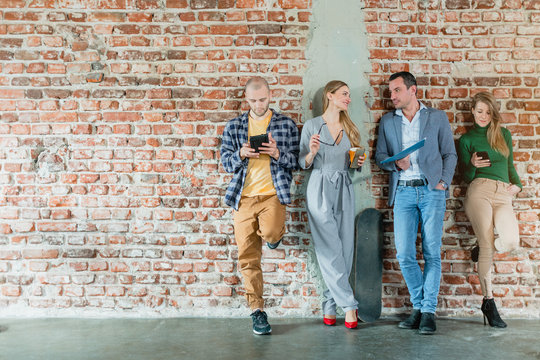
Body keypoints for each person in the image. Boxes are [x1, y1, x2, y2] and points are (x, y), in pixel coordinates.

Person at [375, 72, 457, 335]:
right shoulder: (387, 121)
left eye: (397, 90)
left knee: (432, 252)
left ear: (413, 91)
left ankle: (427, 312)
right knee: (404, 254)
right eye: (390, 92)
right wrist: (395, 163)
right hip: (404, 193)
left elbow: (449, 153)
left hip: (431, 190)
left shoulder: (436, 117)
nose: (393, 96)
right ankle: (421, 307)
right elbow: (380, 158)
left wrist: (443, 181)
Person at [220, 77, 299, 335]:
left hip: (273, 194)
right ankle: (257, 310)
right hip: (242, 198)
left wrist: (276, 153)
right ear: (246, 99)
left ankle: (273, 237)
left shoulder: (285, 124)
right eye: (253, 100)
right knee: (248, 256)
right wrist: (241, 154)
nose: (258, 104)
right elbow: (226, 163)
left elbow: (296, 162)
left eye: (263, 99)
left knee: (272, 233)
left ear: (270, 95)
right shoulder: (234, 126)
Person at [299, 80, 366, 329]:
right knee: (329, 248)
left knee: (345, 248)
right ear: (330, 95)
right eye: (344, 94)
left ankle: (329, 305)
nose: (348, 98)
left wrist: (357, 164)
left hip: (345, 187)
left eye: (349, 94)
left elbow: (352, 164)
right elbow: (302, 162)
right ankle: (349, 305)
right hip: (319, 187)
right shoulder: (312, 126)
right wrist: (312, 152)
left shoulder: (350, 127)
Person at [457, 91, 522, 328]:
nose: (483, 116)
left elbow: (510, 164)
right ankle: (489, 301)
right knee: (485, 246)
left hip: (503, 192)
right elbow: (464, 176)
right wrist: (472, 165)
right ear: (472, 112)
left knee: (512, 241)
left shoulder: (503, 134)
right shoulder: (466, 140)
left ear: (492, 113)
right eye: (479, 111)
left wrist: (518, 185)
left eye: (487, 111)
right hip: (478, 190)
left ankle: (484, 247)